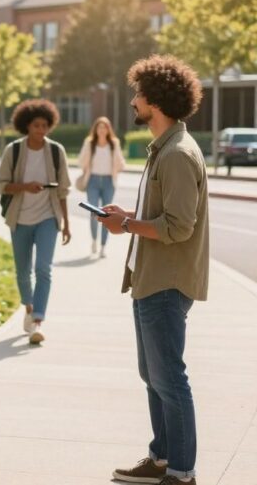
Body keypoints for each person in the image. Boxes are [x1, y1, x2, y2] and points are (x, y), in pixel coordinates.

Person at [99, 56, 208, 485]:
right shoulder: (163, 149)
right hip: (149, 278)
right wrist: (127, 214)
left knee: (169, 378)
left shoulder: (178, 154)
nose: (133, 100)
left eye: (139, 94)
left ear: (156, 101)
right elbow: (161, 215)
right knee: (154, 376)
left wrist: (125, 224)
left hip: (166, 282)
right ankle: (161, 457)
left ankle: (181, 471)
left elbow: (179, 227)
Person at [0, 98, 72, 345]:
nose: (41, 130)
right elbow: (1, 185)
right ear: (27, 125)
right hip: (20, 218)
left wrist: (66, 224)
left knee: (43, 269)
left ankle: (38, 320)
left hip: (48, 217)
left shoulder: (56, 151)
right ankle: (28, 306)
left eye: (45, 125)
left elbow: (63, 190)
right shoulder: (14, 151)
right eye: (36, 125)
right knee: (23, 272)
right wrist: (25, 187)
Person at [78, 116, 125, 257]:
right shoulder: (89, 143)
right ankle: (94, 240)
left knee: (107, 214)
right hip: (92, 181)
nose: (102, 130)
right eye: (100, 127)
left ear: (108, 129)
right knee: (94, 212)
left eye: (105, 127)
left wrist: (118, 165)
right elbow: (81, 162)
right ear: (96, 129)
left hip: (108, 182)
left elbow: (121, 163)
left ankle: (103, 246)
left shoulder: (114, 144)